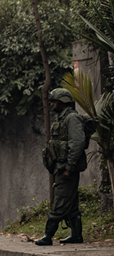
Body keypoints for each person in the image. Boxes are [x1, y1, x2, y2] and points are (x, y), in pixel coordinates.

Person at [36, 88, 87, 246]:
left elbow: (77, 143)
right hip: (61, 167)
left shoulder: (72, 118)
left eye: (55, 102)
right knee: (71, 205)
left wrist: (69, 167)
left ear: (63, 102)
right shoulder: (62, 119)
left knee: (60, 202)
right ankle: (76, 235)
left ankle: (47, 236)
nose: (52, 104)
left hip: (67, 169)